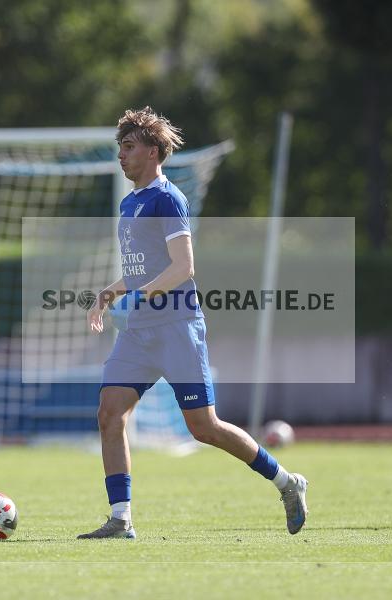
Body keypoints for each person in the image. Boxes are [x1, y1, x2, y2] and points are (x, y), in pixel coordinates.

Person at [78, 106, 308, 539]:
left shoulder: (169, 198)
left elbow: (183, 267)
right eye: (119, 148)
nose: (121, 156)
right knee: (110, 414)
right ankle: (120, 518)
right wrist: (110, 294)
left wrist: (143, 294)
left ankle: (286, 482)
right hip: (140, 332)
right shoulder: (130, 203)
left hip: (178, 326)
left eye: (128, 147)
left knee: (204, 428)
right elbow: (143, 268)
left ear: (152, 152)